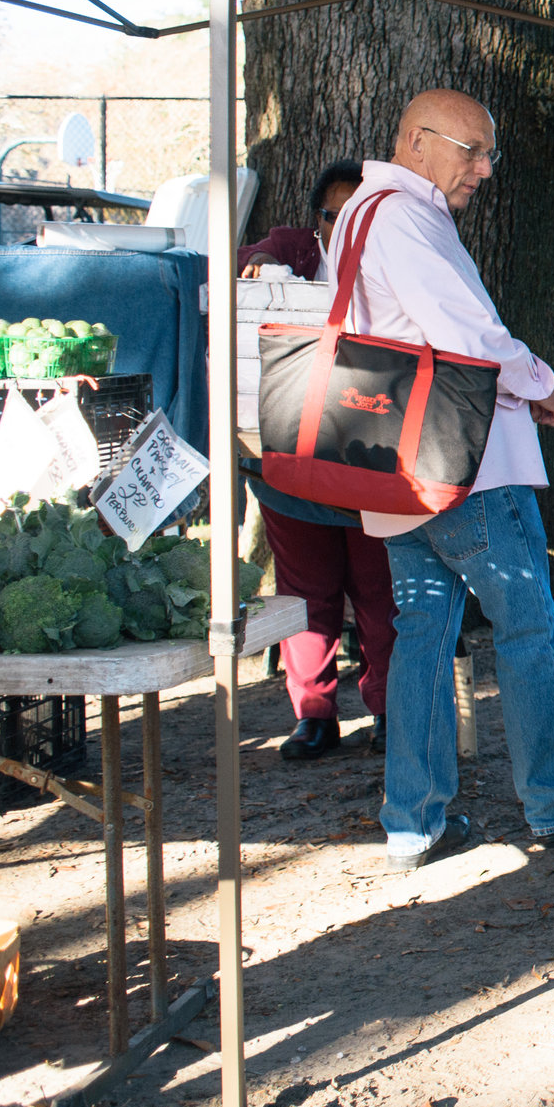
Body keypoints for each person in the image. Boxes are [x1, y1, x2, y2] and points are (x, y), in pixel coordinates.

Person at [328, 89, 554, 873]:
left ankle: (413, 820)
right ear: (415, 140)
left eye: (490, 153)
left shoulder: (360, 213)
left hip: (395, 463)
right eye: (472, 150)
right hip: (463, 466)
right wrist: (541, 382)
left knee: (423, 641)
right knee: (528, 628)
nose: (486, 169)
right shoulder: (404, 215)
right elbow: (464, 333)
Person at [240, 161, 395, 761]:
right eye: (333, 214)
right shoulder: (292, 250)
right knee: (306, 594)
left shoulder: (398, 267)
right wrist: (258, 268)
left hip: (370, 457)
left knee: (381, 590)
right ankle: (314, 714)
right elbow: (239, 268)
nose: (344, 224)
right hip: (288, 456)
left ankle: (387, 706)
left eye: (359, 212)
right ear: (318, 220)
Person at [239, 159, 362, 281]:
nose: (346, 226)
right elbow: (234, 259)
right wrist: (258, 259)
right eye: (336, 217)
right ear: (319, 218)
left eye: (359, 218)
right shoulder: (295, 246)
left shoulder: (379, 254)